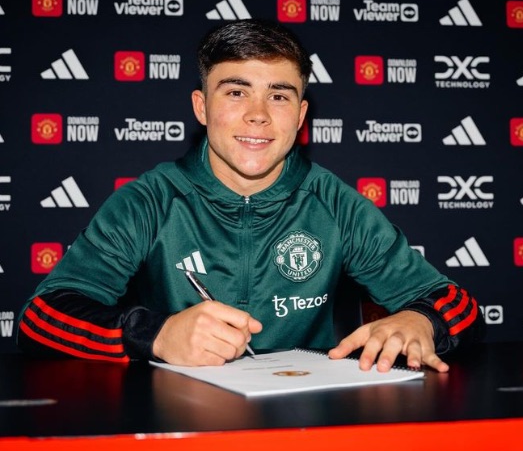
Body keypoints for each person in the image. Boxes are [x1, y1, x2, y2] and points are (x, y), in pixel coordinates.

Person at [17, 18, 485, 372]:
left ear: (301, 115)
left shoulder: (333, 203)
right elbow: (41, 318)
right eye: (236, 92)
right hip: (176, 430)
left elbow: (454, 302)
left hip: (305, 425)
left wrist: (422, 321)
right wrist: (154, 336)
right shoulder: (151, 199)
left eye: (279, 96)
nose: (258, 115)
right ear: (202, 106)